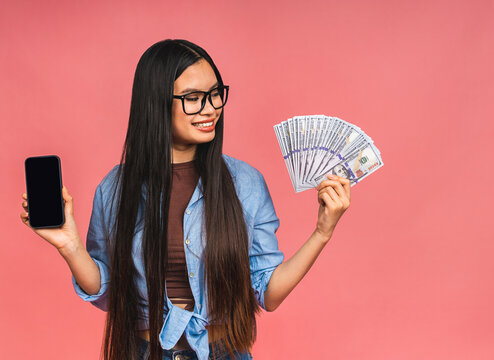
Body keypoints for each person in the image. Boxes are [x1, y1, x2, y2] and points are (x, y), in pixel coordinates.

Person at [19, 39, 351, 360]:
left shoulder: (245, 183)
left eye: (216, 95)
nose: (211, 109)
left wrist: (322, 232)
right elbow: (106, 294)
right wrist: (70, 247)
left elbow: (268, 292)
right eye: (193, 98)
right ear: (156, 101)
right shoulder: (116, 188)